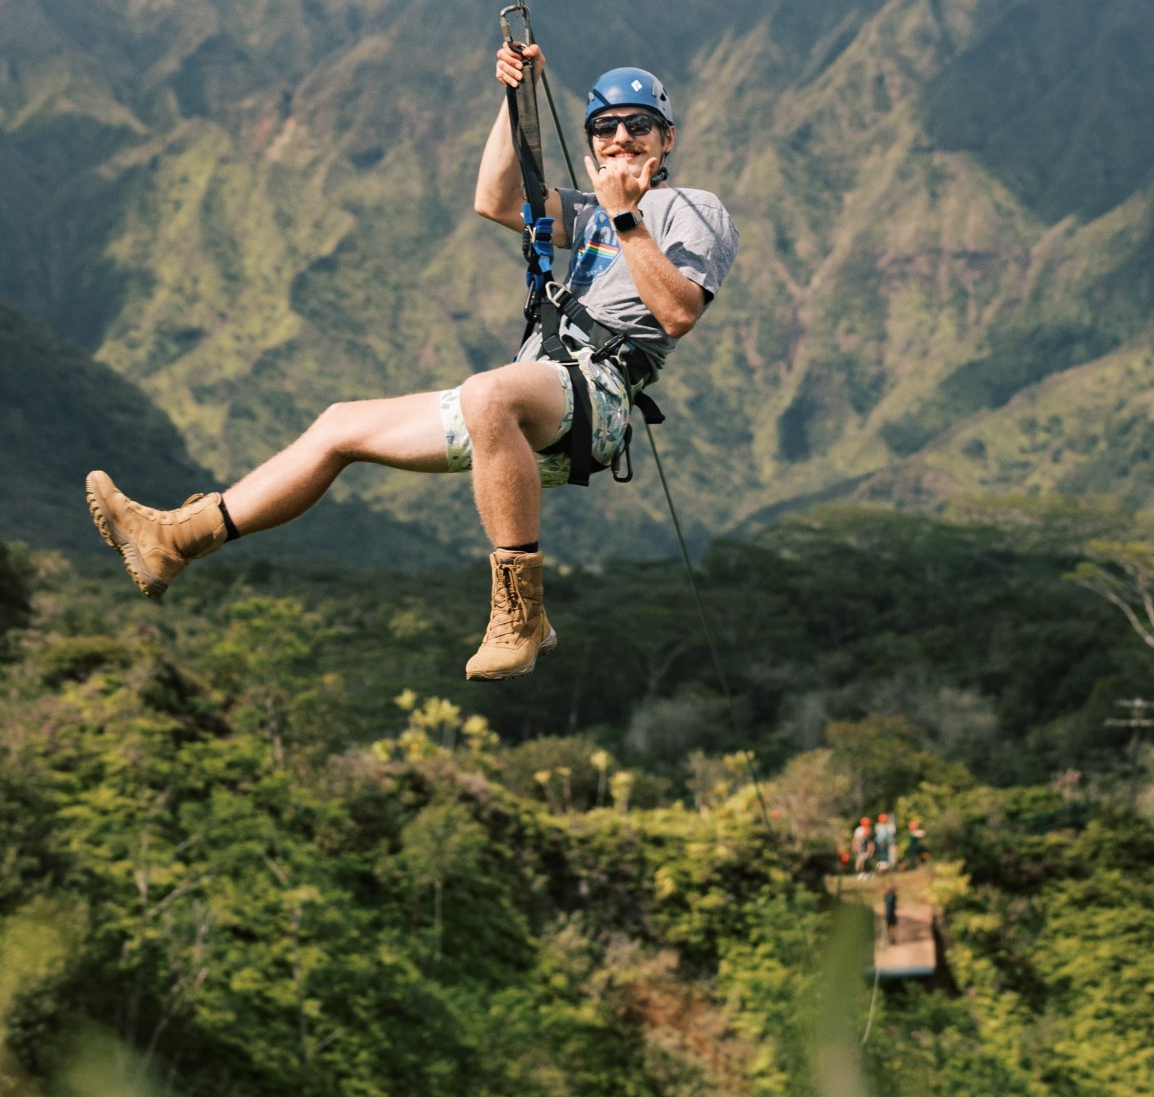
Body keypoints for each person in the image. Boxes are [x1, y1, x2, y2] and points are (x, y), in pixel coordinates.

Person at [83, 38, 739, 682]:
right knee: (341, 425)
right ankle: (176, 541)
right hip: (537, 394)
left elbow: (679, 311)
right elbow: (494, 200)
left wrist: (627, 215)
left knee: (489, 394)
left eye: (639, 126)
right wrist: (515, 100)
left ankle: (521, 616)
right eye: (606, 127)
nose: (621, 139)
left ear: (667, 138)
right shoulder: (590, 212)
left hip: (597, 396)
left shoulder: (691, 209)